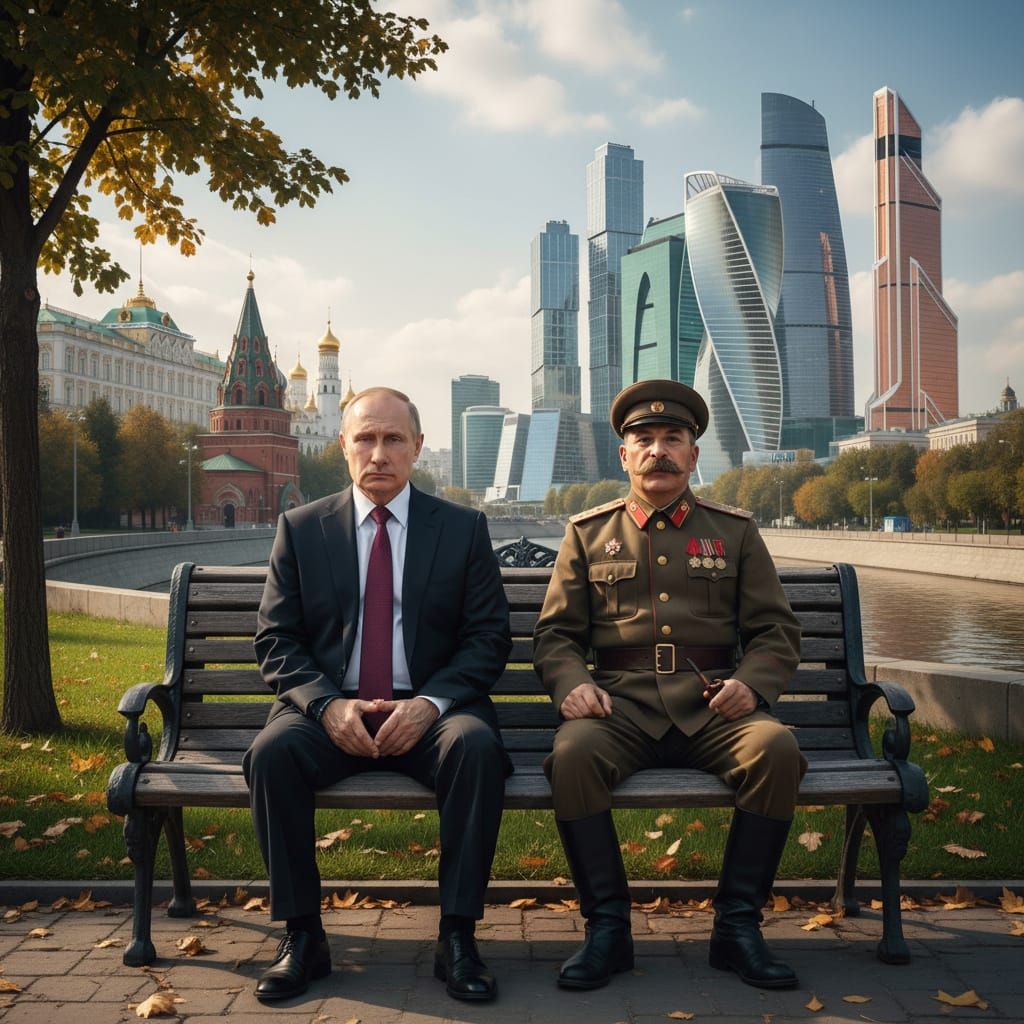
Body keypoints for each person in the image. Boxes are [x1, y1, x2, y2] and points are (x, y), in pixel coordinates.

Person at [534, 379, 805, 992]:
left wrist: (752, 686)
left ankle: (738, 930)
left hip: (713, 707)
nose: (657, 450)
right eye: (643, 440)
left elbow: (776, 632)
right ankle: (608, 932)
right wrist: (571, 685)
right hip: (620, 709)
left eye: (672, 439)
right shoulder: (588, 533)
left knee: (776, 750)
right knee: (571, 755)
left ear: (693, 454)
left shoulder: (733, 532)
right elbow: (554, 636)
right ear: (624, 456)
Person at [244, 386, 512, 1003]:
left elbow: (487, 638)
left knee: (474, 748)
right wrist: (324, 705)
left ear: (418, 448)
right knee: (271, 755)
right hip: (331, 712)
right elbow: (276, 640)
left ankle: (458, 936)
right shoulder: (302, 529)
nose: (379, 452)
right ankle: (302, 936)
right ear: (343, 447)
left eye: (394, 439)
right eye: (365, 438)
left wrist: (430, 705)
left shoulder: (464, 529)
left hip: (431, 713)